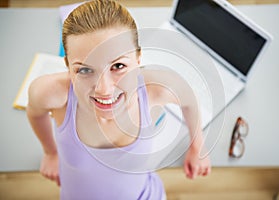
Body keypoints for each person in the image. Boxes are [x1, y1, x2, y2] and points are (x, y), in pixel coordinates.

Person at [26, 0, 211, 199]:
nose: (104, 89)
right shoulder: (49, 93)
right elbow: (35, 113)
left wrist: (197, 146)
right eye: (85, 70)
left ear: (139, 59)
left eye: (118, 66)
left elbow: (190, 101)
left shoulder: (157, 88)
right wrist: (50, 152)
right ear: (68, 66)